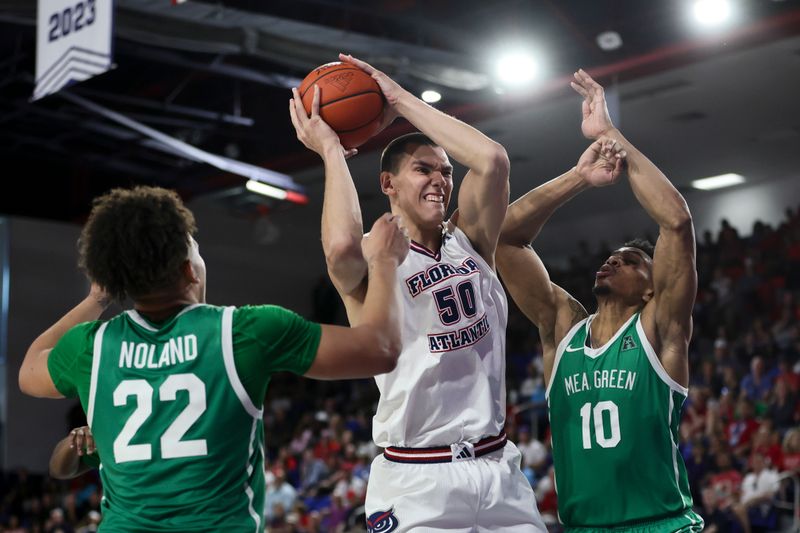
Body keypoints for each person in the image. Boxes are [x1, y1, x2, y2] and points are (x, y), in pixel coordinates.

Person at [18, 185, 409, 532]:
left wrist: (97, 297)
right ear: (190, 271)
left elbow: (30, 368)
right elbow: (381, 349)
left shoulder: (91, 347)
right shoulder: (245, 331)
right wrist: (384, 261)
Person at [290, 53, 546, 531]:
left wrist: (400, 100)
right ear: (388, 183)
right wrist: (330, 151)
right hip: (416, 474)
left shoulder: (472, 240)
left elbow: (491, 160)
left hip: (496, 466)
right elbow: (341, 246)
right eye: (424, 170)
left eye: (446, 172)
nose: (440, 181)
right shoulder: (376, 255)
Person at [496, 69, 704, 531]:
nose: (612, 262)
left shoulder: (658, 328)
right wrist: (579, 177)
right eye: (610, 257)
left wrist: (611, 136)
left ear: (652, 288)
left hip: (661, 525)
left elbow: (675, 222)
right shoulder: (563, 328)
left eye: (630, 261)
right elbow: (505, 240)